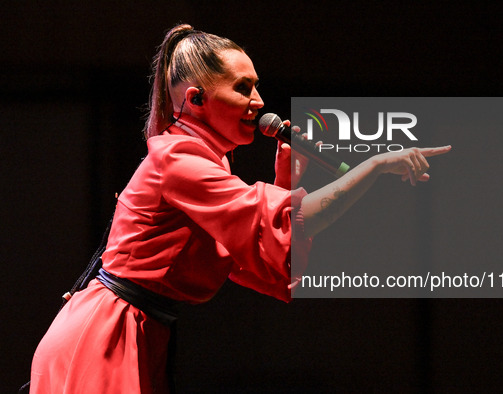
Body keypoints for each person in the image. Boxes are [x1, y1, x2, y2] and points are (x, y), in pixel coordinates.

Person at [29, 24, 451, 393]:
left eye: (256, 85)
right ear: (195, 99)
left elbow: (258, 247)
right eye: (242, 88)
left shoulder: (204, 158)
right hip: (107, 334)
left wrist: (288, 184)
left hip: (134, 330)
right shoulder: (179, 160)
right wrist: (373, 166)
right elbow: (280, 222)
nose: (259, 101)